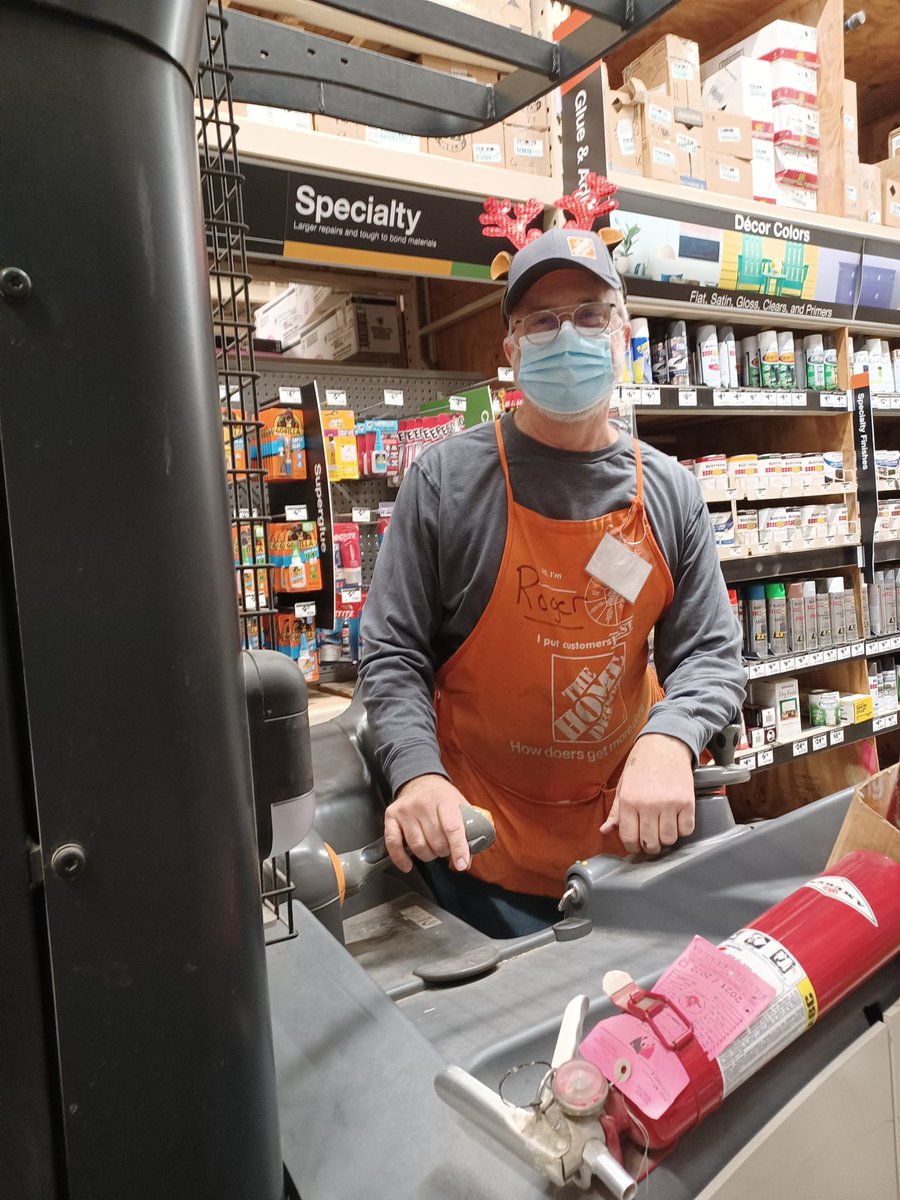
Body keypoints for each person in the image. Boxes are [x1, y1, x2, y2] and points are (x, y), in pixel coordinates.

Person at [358, 226, 746, 937]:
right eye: (542, 320)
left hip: (630, 849)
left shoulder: (670, 492)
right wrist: (416, 773)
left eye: (591, 314)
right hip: (476, 850)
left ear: (622, 334)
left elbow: (711, 657)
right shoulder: (444, 484)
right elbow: (392, 655)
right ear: (511, 351)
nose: (569, 335)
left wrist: (673, 737)